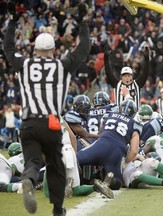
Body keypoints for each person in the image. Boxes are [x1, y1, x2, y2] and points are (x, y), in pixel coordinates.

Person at [3, 2, 90, 215]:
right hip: (51, 122)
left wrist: (13, 22)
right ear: (52, 49)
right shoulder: (60, 65)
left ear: (35, 49)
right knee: (56, 165)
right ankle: (58, 209)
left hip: (29, 122)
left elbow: (8, 48)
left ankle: (28, 179)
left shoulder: (25, 65)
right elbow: (84, 49)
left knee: (33, 160)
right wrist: (83, 23)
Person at [77, 99, 142, 190]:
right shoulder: (135, 124)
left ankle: (76, 181)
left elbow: (100, 132)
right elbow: (134, 151)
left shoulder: (109, 114)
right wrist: (125, 162)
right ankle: (109, 180)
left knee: (76, 160)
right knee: (117, 183)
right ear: (134, 113)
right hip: (116, 153)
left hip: (101, 145)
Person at [104, 45, 150, 109]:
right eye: (125, 76)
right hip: (119, 117)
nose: (127, 78)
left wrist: (147, 59)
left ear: (132, 76)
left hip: (134, 117)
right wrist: (106, 59)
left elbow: (145, 73)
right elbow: (108, 72)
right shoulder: (117, 84)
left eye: (128, 75)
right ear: (121, 77)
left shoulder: (137, 84)